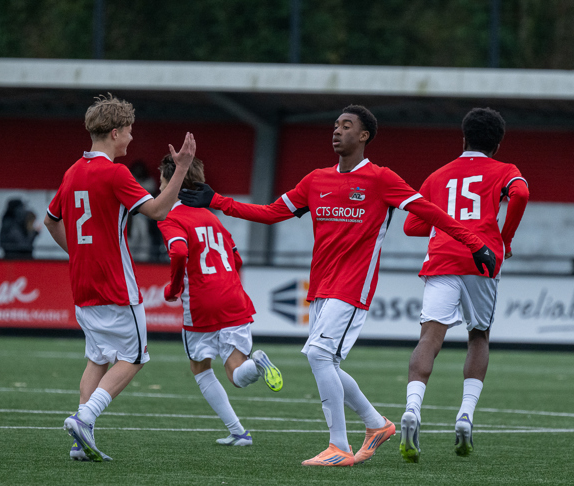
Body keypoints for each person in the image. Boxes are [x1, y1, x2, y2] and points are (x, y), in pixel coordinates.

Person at [179, 104, 496, 467]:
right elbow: (271, 213)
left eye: (346, 126)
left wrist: (475, 243)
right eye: (335, 125)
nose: (337, 130)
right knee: (326, 361)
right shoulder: (316, 180)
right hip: (320, 288)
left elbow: (430, 211)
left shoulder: (381, 179)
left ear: (363, 136)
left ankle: (339, 447)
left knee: (319, 356)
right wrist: (217, 201)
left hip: (353, 287)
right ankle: (377, 424)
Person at [43, 93, 196, 462]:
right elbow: (158, 211)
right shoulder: (115, 173)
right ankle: (85, 418)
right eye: (128, 130)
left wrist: (78, 253)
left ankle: (81, 441)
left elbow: (50, 220)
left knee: (97, 358)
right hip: (115, 285)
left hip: (83, 285)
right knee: (135, 357)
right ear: (115, 133)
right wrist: (181, 168)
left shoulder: (73, 171)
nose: (131, 137)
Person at [399, 108, 529, 463]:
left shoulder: (438, 175)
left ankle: (412, 409)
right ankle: (465, 415)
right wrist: (504, 239)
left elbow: (411, 226)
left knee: (429, 337)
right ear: (497, 144)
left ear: (463, 138)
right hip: (481, 260)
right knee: (479, 335)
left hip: (442, 258)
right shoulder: (505, 170)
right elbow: (520, 194)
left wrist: (444, 227)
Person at [156, 154, 283, 446]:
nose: (160, 188)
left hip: (202, 303)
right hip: (234, 298)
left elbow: (179, 251)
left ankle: (237, 430)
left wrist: (174, 288)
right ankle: (256, 368)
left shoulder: (171, 218)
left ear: (173, 184)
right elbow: (236, 259)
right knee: (237, 373)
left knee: (200, 368)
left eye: (163, 182)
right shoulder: (212, 218)